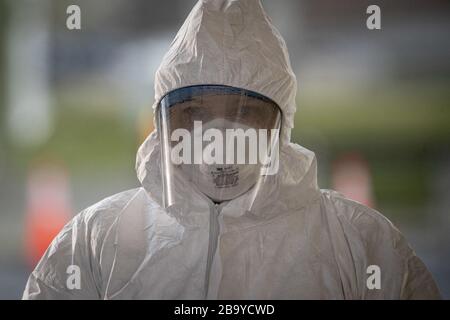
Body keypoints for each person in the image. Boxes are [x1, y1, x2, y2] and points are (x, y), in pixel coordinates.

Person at [23, 0, 441, 299]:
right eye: (196, 112)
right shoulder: (95, 241)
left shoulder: (359, 243)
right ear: (164, 124)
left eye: (242, 115)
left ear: (279, 128)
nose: (216, 137)